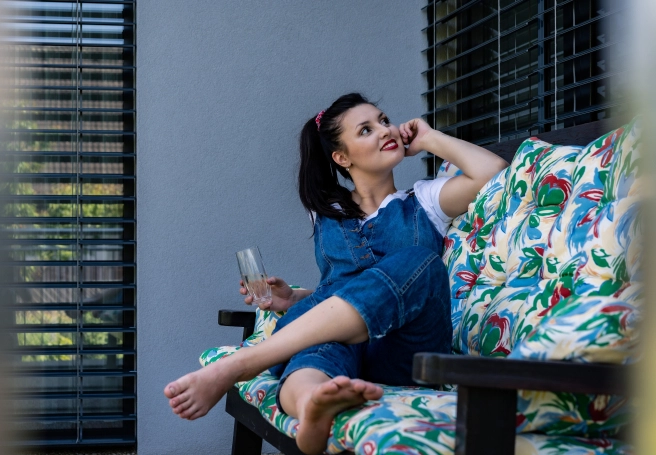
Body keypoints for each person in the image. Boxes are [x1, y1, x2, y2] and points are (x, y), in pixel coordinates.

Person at [164, 93, 508, 454]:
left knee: (419, 261)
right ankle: (313, 404)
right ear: (341, 158)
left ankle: (240, 365)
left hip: (404, 352)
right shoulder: (325, 212)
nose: (384, 130)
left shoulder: (426, 200)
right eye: (366, 129)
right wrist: (295, 298)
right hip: (340, 341)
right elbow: (341, 288)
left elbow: (494, 172)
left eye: (384, 120)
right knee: (320, 350)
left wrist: (428, 138)